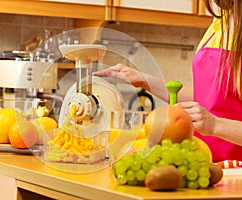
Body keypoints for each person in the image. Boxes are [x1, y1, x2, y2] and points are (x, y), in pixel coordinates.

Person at [93, 0, 242, 163]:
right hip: (206, 164)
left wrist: (215, 125)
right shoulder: (221, 22)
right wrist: (143, 80)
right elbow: (211, 96)